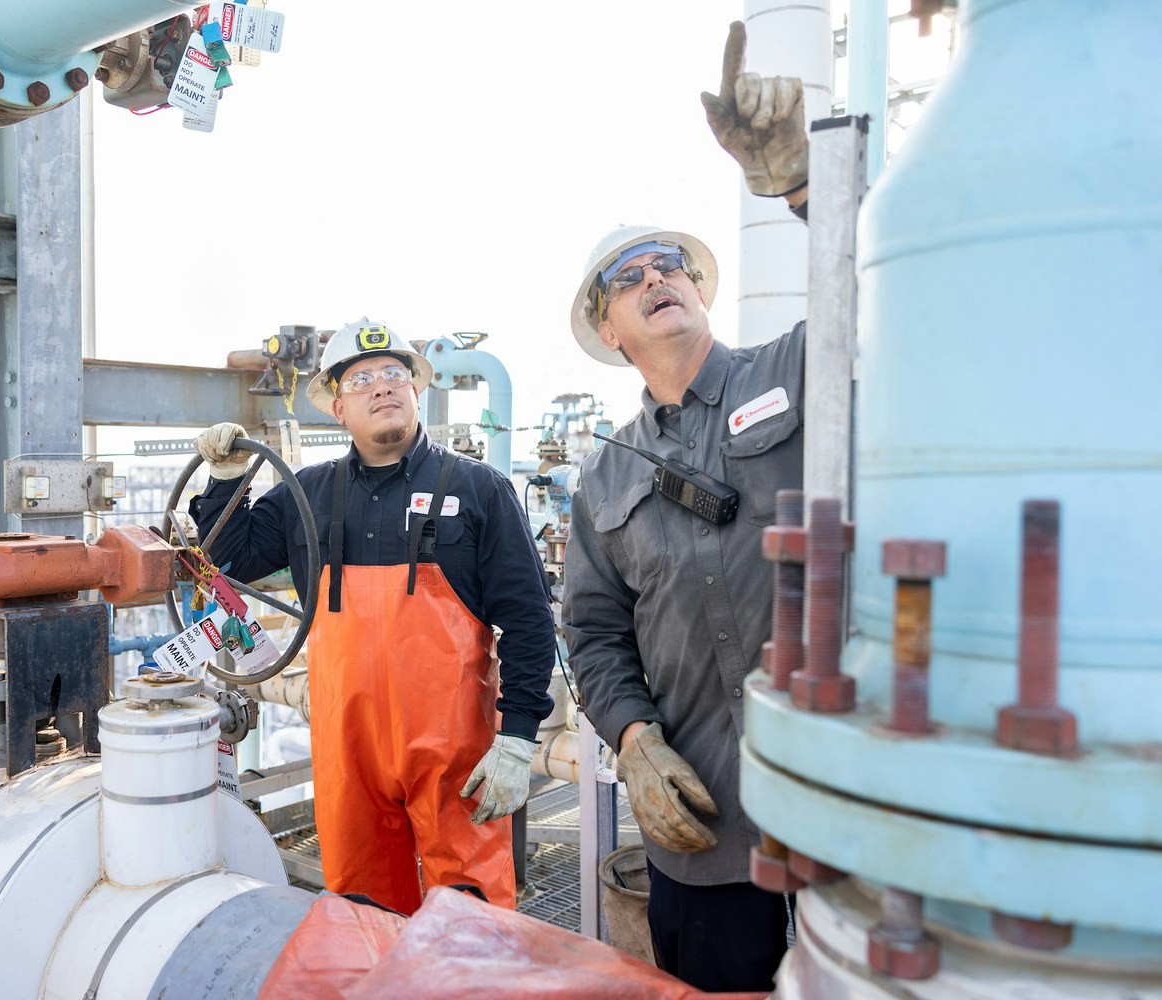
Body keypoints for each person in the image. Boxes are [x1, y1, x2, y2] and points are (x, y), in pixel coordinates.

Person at [561, 21, 811, 993]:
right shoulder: (605, 481)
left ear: (699, 288)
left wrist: (803, 186)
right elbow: (592, 633)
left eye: (669, 264)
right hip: (702, 837)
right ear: (610, 330)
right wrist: (632, 739)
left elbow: (890, 300)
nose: (656, 277)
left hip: (841, 816)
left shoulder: (795, 373)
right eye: (631, 278)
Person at [189, 318, 556, 915]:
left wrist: (516, 740)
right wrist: (226, 481)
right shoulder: (307, 493)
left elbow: (528, 620)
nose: (382, 386)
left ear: (416, 391)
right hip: (348, 754)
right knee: (362, 913)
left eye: (394, 374)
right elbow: (228, 561)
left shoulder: (478, 488)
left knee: (470, 921)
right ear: (338, 407)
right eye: (362, 380)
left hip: (453, 757)